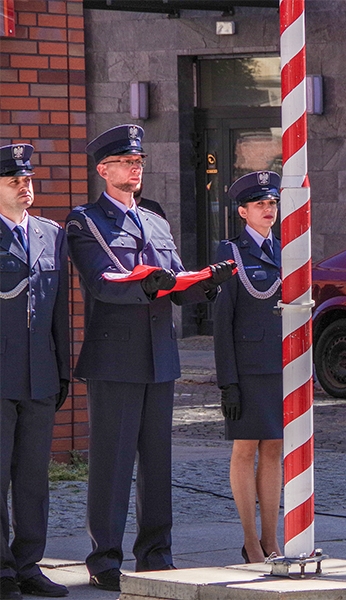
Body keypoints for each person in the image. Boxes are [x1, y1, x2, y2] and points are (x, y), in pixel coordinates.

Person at [65, 124, 234, 592]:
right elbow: (103, 282)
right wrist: (148, 284)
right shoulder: (85, 221)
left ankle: (157, 555)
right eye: (125, 162)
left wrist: (206, 282)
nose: (135, 167)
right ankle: (104, 559)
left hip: (161, 357)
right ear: (104, 169)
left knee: (158, 464)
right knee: (113, 463)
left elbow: (177, 285)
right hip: (115, 359)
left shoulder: (156, 219)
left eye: (138, 161)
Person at [0, 144, 69, 599]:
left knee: (32, 478)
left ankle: (29, 565)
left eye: (28, 181)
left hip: (39, 375)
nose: (26, 188)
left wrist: (61, 371)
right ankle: (2, 571)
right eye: (14, 182)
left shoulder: (50, 233)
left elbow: (59, 310)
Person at [213, 171, 284, 564]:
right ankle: (249, 540)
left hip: (280, 366)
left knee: (273, 448)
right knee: (245, 449)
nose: (268, 210)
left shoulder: (287, 248)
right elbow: (222, 323)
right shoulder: (230, 251)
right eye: (259, 204)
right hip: (248, 367)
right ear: (243, 211)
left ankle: (271, 539)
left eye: (272, 203)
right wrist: (228, 383)